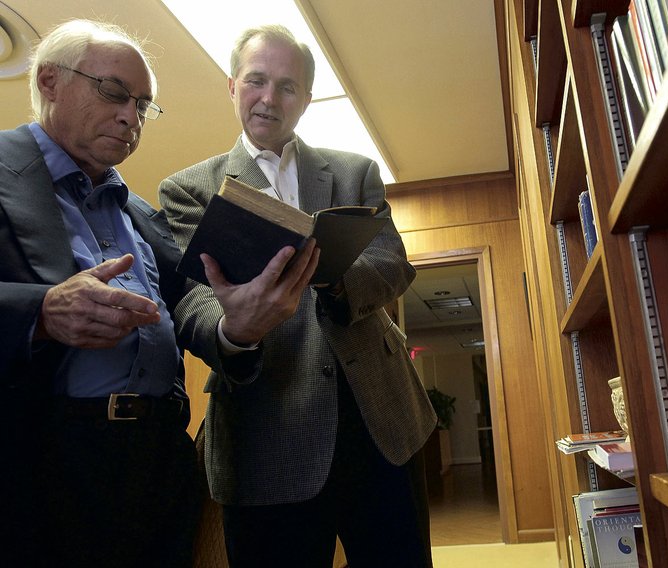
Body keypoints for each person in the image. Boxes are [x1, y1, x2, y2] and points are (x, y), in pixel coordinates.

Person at [158, 24, 438, 567]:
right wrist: (233, 328)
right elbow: (192, 300)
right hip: (265, 434)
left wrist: (332, 274)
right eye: (257, 81)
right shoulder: (189, 188)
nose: (270, 98)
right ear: (232, 86)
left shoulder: (354, 172)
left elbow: (390, 263)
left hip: (381, 422)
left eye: (288, 87)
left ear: (306, 99)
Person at [0, 19, 201, 566]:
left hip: (159, 460)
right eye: (114, 92)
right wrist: (39, 311)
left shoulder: (141, 211)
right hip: (46, 462)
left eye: (142, 105)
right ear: (48, 82)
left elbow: (188, 311)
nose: (130, 117)